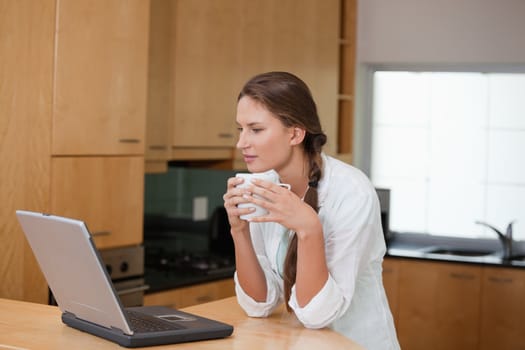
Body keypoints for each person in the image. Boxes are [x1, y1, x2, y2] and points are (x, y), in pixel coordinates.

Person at [222, 71, 400, 349]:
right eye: (240, 129)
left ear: (295, 133)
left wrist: (309, 229)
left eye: (255, 130)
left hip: (356, 343)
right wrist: (239, 231)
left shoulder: (352, 192)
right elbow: (259, 304)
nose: (241, 143)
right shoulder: (265, 187)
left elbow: (317, 315)